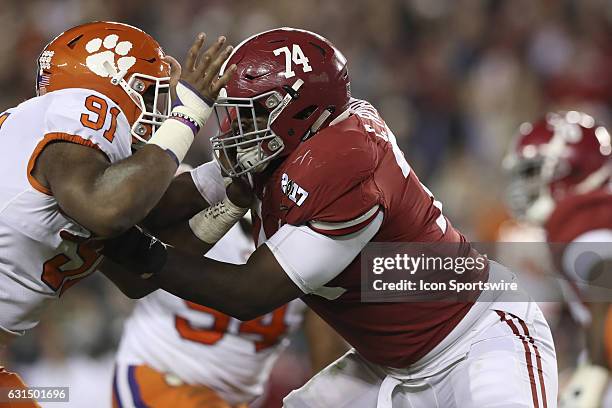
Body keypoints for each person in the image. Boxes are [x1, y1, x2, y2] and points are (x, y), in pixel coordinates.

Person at [104, 28, 558, 407]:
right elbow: (165, 203)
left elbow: (250, 292)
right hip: (388, 362)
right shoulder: (287, 145)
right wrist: (103, 201)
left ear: (298, 111)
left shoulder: (346, 162)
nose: (233, 129)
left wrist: (144, 252)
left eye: (253, 112)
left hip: (475, 339)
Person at [0, 20, 236, 403]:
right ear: (112, 82)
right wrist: (190, 111)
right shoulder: (76, 107)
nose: (160, 112)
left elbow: (137, 275)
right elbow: (108, 210)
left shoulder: (69, 164)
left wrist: (227, 185)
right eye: (148, 91)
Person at [505, 111, 612, 408]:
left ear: (573, 168)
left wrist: (594, 373)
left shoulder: (582, 216)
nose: (522, 186)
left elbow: (606, 276)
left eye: (532, 172)